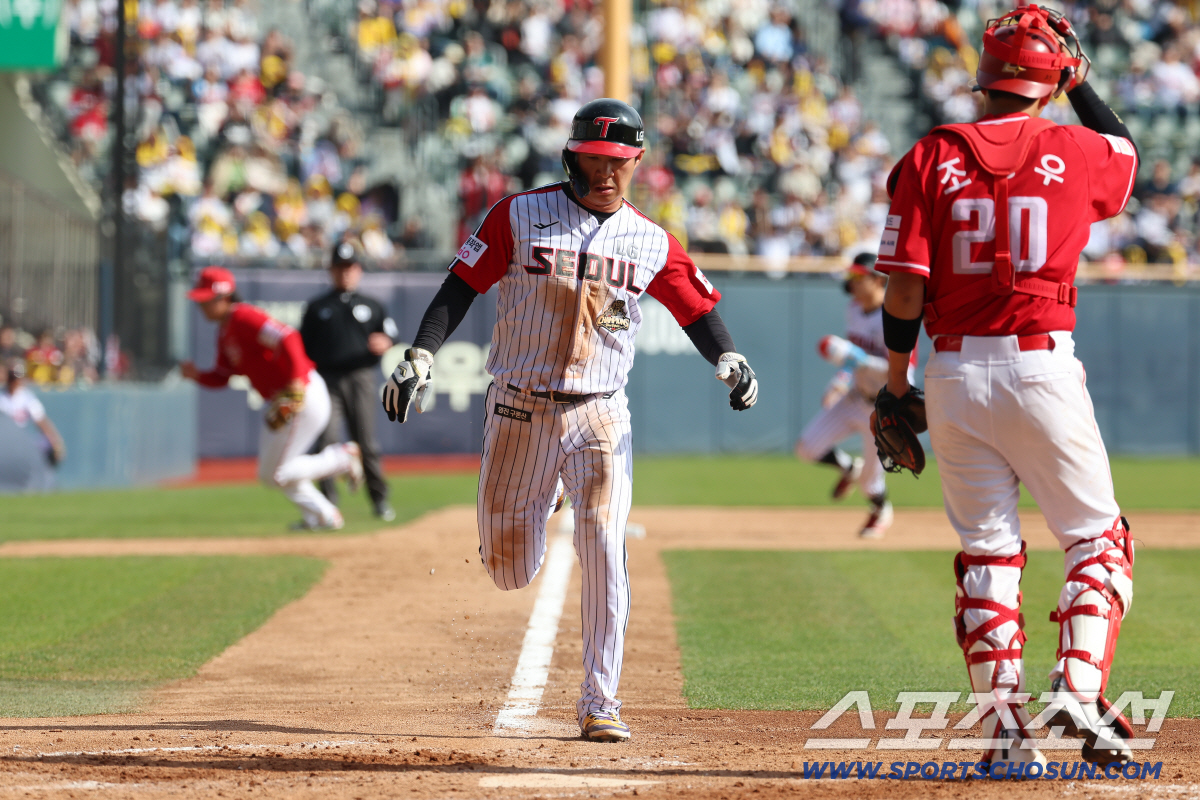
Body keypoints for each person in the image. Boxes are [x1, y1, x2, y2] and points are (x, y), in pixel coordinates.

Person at [380, 98, 759, 743]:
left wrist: (729, 357)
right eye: (594, 159)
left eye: (619, 161)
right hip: (518, 410)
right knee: (509, 568)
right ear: (571, 156)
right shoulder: (520, 215)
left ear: (636, 161)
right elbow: (462, 286)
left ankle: (600, 699)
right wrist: (421, 352)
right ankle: (544, 495)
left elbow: (695, 307)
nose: (606, 172)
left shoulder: (649, 239)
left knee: (606, 546)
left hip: (600, 412)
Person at [875, 6, 1138, 771]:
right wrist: (1081, 84)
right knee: (1097, 538)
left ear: (982, 80)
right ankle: (1079, 687)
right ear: (1053, 80)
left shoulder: (930, 154)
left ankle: (1007, 738)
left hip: (953, 370)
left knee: (988, 551)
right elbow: (1126, 152)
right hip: (1042, 364)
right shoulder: (1076, 146)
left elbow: (901, 291)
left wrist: (899, 383)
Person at [181, 266, 364, 530]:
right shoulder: (225, 331)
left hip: (302, 393)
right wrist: (197, 375)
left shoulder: (243, 316)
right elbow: (222, 376)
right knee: (270, 474)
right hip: (285, 398)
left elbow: (288, 337)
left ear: (223, 297)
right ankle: (323, 516)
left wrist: (295, 381)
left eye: (205, 300)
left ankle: (341, 459)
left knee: (277, 473)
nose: (201, 306)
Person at [795, 252, 913, 538]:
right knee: (807, 448)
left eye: (858, 277)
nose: (852, 283)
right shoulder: (854, 309)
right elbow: (851, 358)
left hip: (884, 409)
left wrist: (860, 359)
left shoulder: (895, 315)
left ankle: (881, 510)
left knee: (870, 486)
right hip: (855, 396)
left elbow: (903, 374)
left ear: (876, 280)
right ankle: (849, 467)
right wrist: (841, 379)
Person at [300, 239, 399, 521]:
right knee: (326, 442)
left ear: (359, 270)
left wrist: (387, 341)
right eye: (340, 267)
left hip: (360, 377)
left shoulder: (372, 305)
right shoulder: (317, 308)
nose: (345, 272)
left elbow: (391, 334)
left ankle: (380, 501)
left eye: (350, 267)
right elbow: (302, 347)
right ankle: (327, 505)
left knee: (367, 442)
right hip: (325, 381)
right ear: (331, 270)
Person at [0, 360, 66, 467]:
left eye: (17, 377)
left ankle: (42, 477)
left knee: (46, 443)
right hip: (4, 440)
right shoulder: (1, 396)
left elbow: (41, 421)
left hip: (21, 438)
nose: (14, 380)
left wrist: (55, 442)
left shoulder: (26, 397)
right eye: (12, 376)